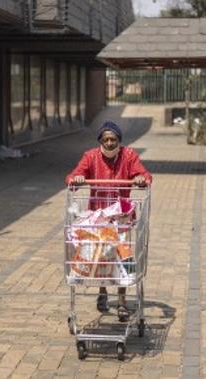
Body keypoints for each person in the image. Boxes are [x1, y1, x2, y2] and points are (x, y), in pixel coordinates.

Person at [65, 120, 152, 322]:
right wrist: (76, 179)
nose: (110, 143)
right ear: (100, 141)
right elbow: (73, 176)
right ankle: (103, 290)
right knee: (101, 256)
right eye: (106, 140)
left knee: (122, 257)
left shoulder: (129, 156)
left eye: (114, 139)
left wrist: (140, 178)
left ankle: (122, 302)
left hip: (121, 217)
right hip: (98, 217)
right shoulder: (91, 157)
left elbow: (145, 175)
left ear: (119, 141)